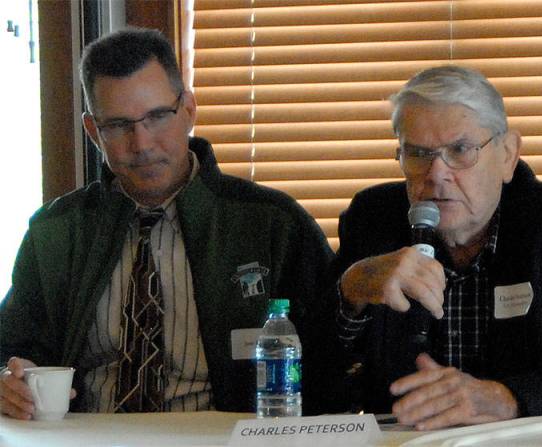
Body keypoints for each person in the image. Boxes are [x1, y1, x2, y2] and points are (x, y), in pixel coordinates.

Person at [0, 28, 340, 418]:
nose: (141, 143)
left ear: (189, 110)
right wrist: (8, 382)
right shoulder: (56, 232)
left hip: (223, 441)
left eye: (158, 117)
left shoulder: (271, 223)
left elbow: (333, 359)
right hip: (91, 439)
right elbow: (13, 348)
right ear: (94, 132)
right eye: (118, 126)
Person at [332, 65, 542, 429]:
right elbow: (306, 375)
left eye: (461, 149)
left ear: (507, 155)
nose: (436, 174)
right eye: (418, 153)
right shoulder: (372, 221)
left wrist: (506, 397)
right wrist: (351, 291)